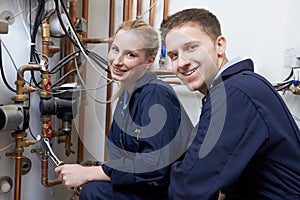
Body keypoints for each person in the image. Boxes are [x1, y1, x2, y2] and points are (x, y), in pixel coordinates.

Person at [160, 8, 300, 200]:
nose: (181, 63)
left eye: (191, 47)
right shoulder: (233, 87)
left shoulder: (234, 93)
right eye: (174, 55)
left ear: (220, 45)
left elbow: (189, 189)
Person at [55, 19, 193, 199]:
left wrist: (88, 173)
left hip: (170, 192)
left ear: (149, 61)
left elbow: (155, 165)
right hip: (148, 187)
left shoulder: (155, 94)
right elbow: (123, 160)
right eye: (115, 49)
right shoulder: (126, 96)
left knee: (94, 192)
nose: (117, 61)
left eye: (130, 55)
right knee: (95, 188)